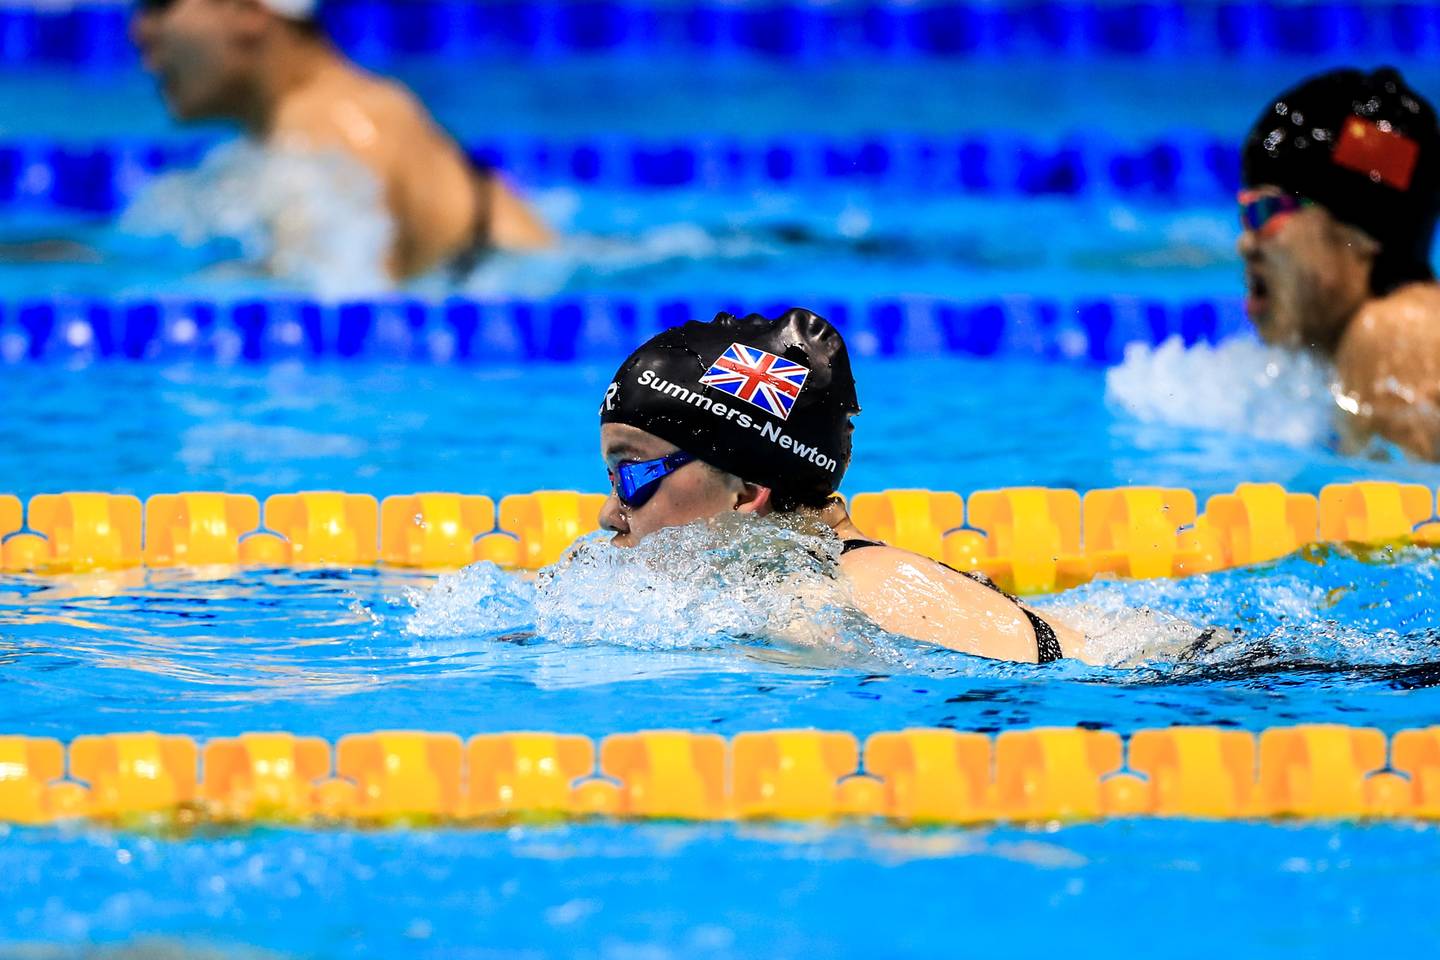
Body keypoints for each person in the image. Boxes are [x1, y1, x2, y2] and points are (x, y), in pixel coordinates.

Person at [596, 307, 1090, 665]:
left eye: (631, 474)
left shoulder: (869, 589)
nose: (609, 514)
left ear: (747, 491)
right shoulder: (801, 591)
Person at [130, 0, 553, 280]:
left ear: (249, 10)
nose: (139, 32)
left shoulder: (330, 129)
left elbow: (334, 307)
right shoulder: (333, 113)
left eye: (159, 4)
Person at [1240, 67, 1440, 459]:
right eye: (1244, 214)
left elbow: (1405, 517)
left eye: (1266, 211)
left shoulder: (1392, 334)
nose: (1245, 243)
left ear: (1361, 233)